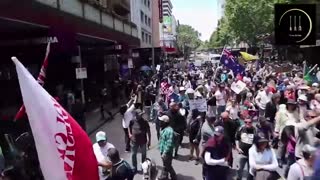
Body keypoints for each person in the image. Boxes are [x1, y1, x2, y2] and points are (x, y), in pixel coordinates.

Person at [158, 115, 177, 180]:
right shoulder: (163, 129)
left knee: (168, 165)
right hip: (163, 151)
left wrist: (164, 153)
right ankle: (164, 176)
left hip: (167, 152)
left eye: (161, 121)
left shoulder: (169, 131)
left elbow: (169, 143)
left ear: (165, 122)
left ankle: (173, 176)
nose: (159, 122)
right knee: (165, 164)